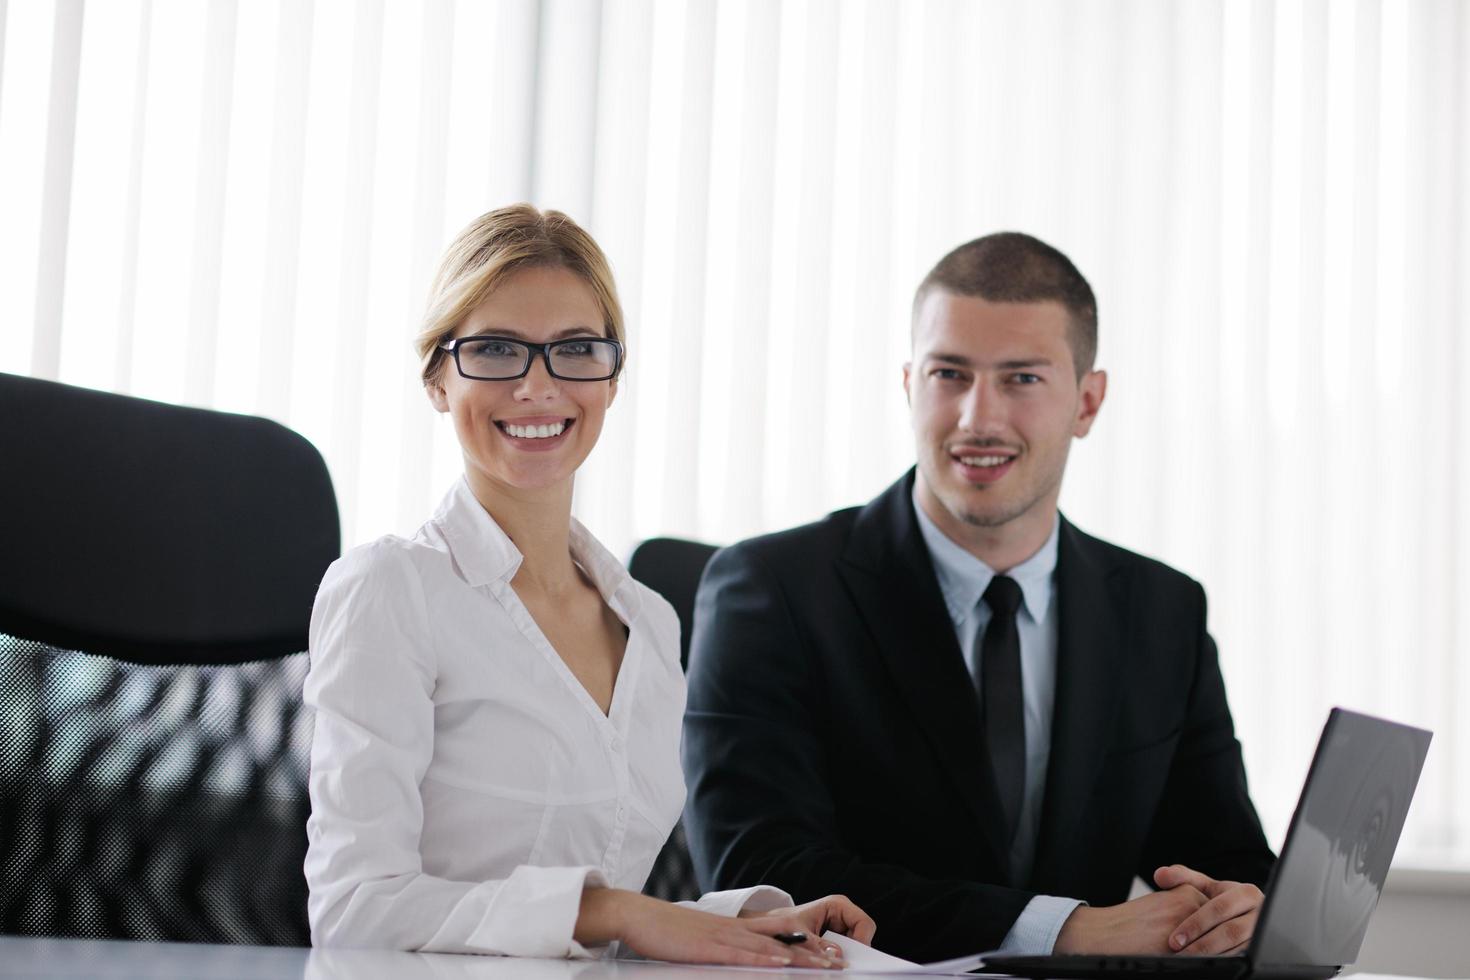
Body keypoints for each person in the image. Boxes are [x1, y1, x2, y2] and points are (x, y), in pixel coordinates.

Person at [682, 232, 1276, 964]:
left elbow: (1229, 864)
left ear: (1087, 403)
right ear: (909, 385)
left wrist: (1242, 910)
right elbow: (758, 879)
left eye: (1022, 379)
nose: (977, 419)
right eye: (949, 375)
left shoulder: (1162, 612)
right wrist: (1065, 930)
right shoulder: (772, 591)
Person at [304, 204, 873, 967]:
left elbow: (593, 923)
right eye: (497, 349)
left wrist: (737, 926)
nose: (538, 387)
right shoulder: (392, 590)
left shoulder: (650, 622)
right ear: (438, 379)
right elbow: (352, 910)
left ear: (611, 379)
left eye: (575, 350)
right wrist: (611, 912)